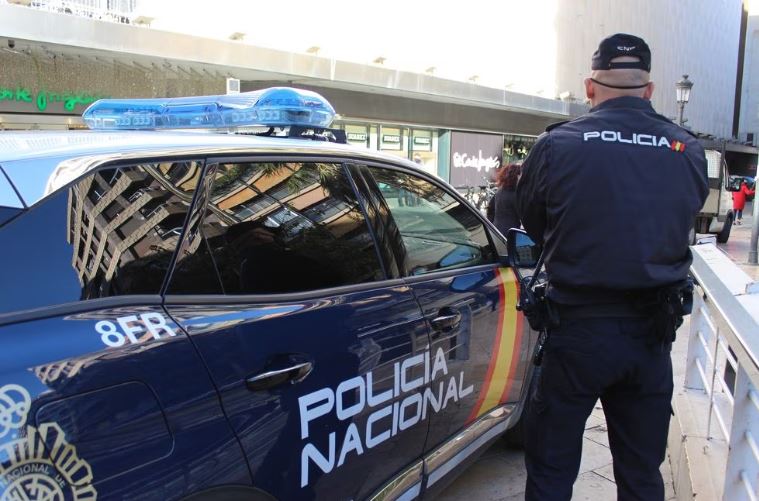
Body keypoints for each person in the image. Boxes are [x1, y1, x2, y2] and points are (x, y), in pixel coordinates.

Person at [516, 33, 708, 501]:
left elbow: (536, 224)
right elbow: (685, 216)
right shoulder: (685, 147)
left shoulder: (558, 143)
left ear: (590, 87)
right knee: (641, 474)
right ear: (650, 89)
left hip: (576, 331)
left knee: (551, 471)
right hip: (650, 335)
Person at [486, 163, 522, 235]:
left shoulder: (499, 191)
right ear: (516, 176)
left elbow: (490, 209)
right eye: (520, 175)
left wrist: (492, 225)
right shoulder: (516, 194)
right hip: (511, 233)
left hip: (497, 231)